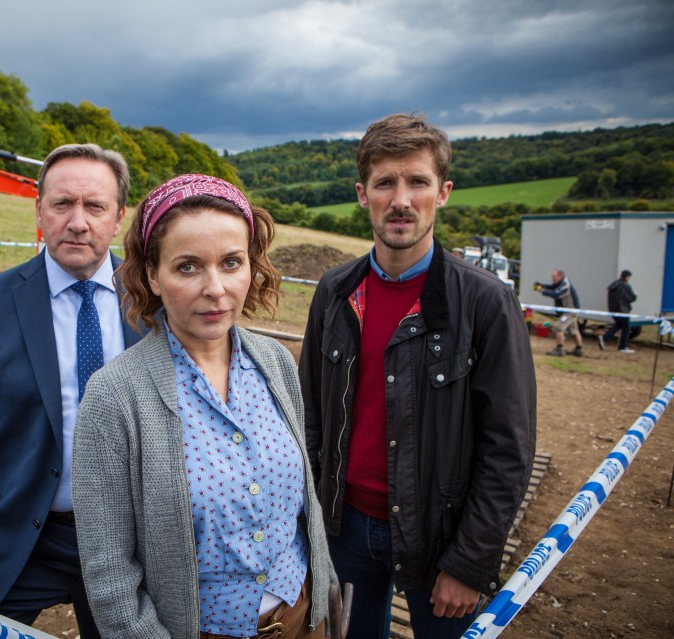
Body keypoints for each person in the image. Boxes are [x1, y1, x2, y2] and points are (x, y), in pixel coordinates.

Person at [298, 114, 536, 639]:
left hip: (441, 538)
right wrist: (314, 525)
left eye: (418, 182)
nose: (400, 199)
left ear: (443, 192)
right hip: (346, 529)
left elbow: (508, 449)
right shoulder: (335, 294)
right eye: (385, 182)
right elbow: (310, 417)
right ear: (363, 194)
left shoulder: (485, 303)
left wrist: (470, 562)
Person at [72, 174, 337, 639]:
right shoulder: (115, 396)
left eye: (231, 262)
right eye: (188, 267)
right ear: (153, 274)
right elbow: (110, 572)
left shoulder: (275, 362)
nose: (215, 288)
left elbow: (304, 508)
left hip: (303, 618)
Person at [0, 144, 142, 639]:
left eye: (95, 207)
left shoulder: (156, 300)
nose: (77, 222)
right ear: (39, 210)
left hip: (128, 543)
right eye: (62, 204)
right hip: (21, 535)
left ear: (118, 217)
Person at [535, 269, 584, 356]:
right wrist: (541, 286)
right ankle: (579, 349)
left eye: (553, 276)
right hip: (569, 311)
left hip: (570, 312)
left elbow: (556, 294)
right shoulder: (561, 283)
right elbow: (552, 287)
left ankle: (559, 349)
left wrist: (542, 290)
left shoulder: (565, 284)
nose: (552, 278)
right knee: (574, 330)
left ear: (559, 276)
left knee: (558, 327)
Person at [599, 269, 637, 354]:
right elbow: (630, 298)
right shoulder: (626, 286)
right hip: (622, 310)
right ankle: (622, 346)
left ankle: (605, 338)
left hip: (613, 310)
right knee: (626, 327)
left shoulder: (614, 284)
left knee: (619, 325)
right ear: (627, 277)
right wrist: (635, 295)